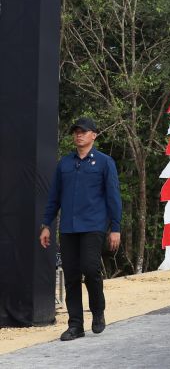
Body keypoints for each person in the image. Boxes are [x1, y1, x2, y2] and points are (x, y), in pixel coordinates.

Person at [40, 117, 122, 341]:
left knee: (91, 268)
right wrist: (47, 225)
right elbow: (54, 197)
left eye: (83, 132)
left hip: (94, 225)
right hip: (68, 227)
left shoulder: (105, 163)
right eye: (76, 132)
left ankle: (98, 311)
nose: (79, 135)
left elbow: (113, 197)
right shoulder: (65, 163)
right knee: (71, 275)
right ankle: (75, 324)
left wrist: (116, 228)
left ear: (94, 135)